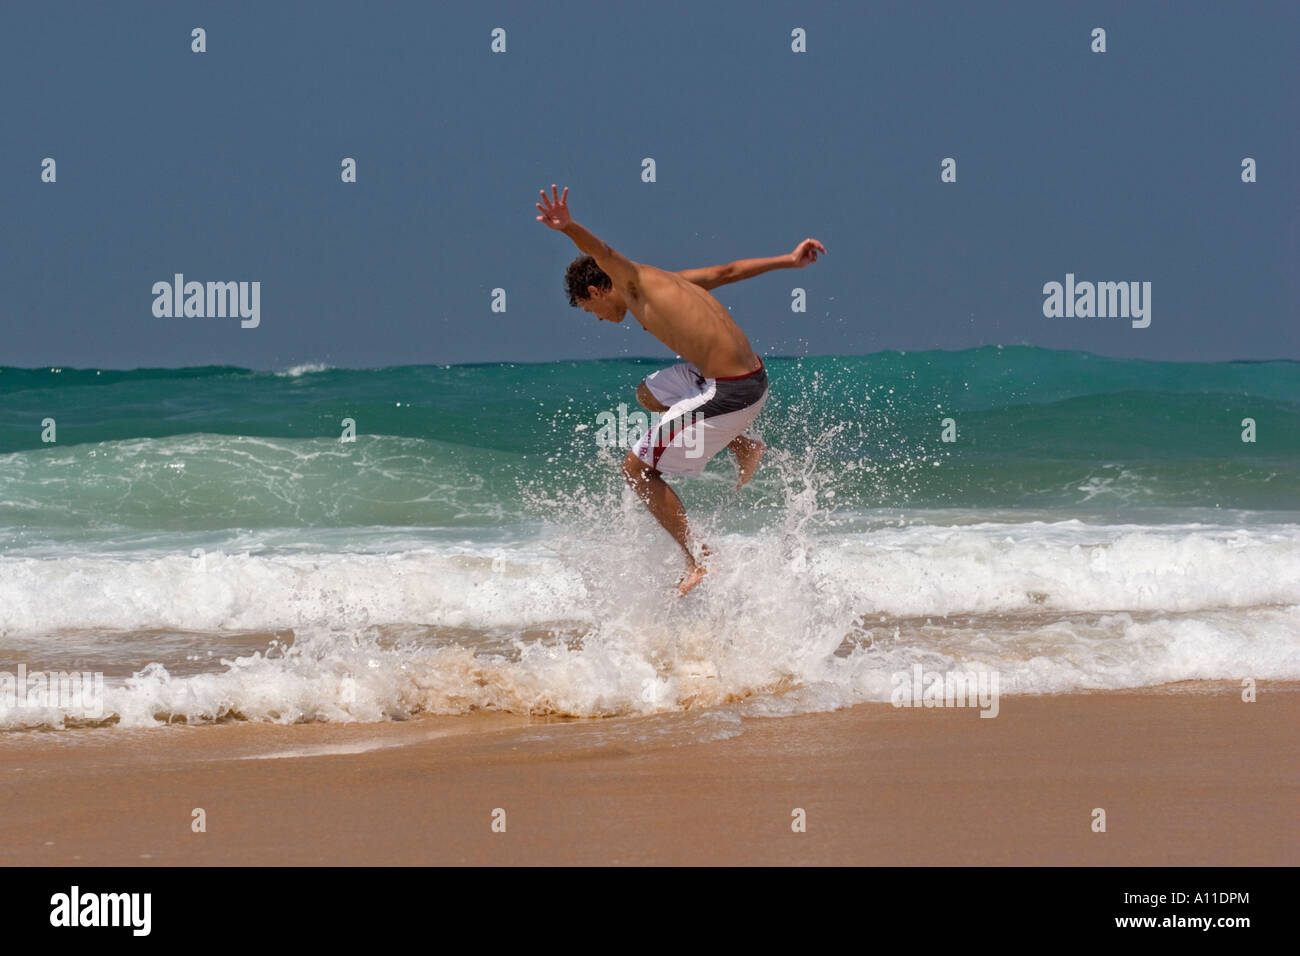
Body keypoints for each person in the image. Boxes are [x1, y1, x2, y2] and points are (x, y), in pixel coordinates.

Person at [536, 184, 825, 595]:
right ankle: (742, 444)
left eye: (591, 310)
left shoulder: (631, 281)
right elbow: (727, 272)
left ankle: (698, 558)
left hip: (731, 391)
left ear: (597, 290)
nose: (598, 319)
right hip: (744, 378)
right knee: (647, 394)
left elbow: (600, 250)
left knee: (635, 469)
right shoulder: (664, 281)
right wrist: (788, 261)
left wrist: (568, 227)